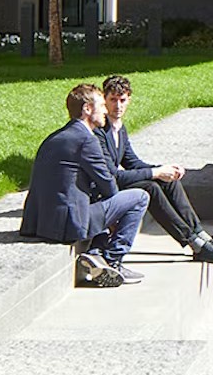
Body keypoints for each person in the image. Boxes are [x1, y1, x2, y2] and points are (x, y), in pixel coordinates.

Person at [95, 74, 213, 263]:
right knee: (150, 187)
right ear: (104, 100)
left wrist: (164, 169)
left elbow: (132, 163)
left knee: (168, 182)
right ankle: (195, 244)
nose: (118, 106)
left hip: (114, 185)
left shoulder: (119, 128)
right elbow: (111, 177)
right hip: (100, 192)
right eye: (113, 100)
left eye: (122, 100)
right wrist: (156, 173)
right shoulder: (99, 131)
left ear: (129, 99)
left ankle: (201, 236)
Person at [20, 82, 149, 287]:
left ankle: (96, 253)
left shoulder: (55, 137)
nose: (106, 110)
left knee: (99, 201)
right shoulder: (87, 140)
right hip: (68, 224)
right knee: (140, 197)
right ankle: (113, 259)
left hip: (41, 222)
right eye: (102, 105)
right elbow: (109, 186)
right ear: (88, 109)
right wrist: (114, 215)